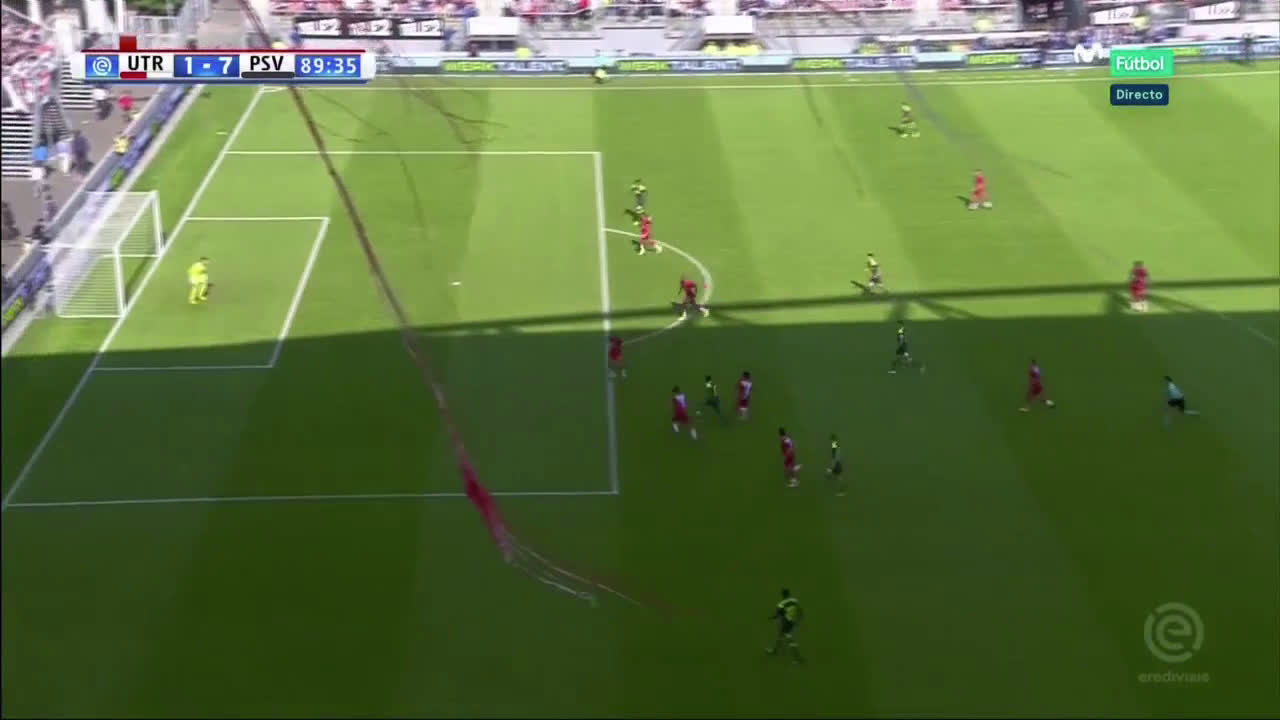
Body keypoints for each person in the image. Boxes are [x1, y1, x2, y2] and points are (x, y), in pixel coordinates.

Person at [766, 588, 804, 663]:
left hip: (787, 623)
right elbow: (800, 610)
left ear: (782, 595)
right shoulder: (794, 600)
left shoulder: (781, 604)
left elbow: (777, 615)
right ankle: (774, 650)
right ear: (789, 594)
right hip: (792, 621)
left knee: (789, 639)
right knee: (780, 635)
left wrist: (771, 617)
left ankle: (797, 658)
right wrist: (798, 620)